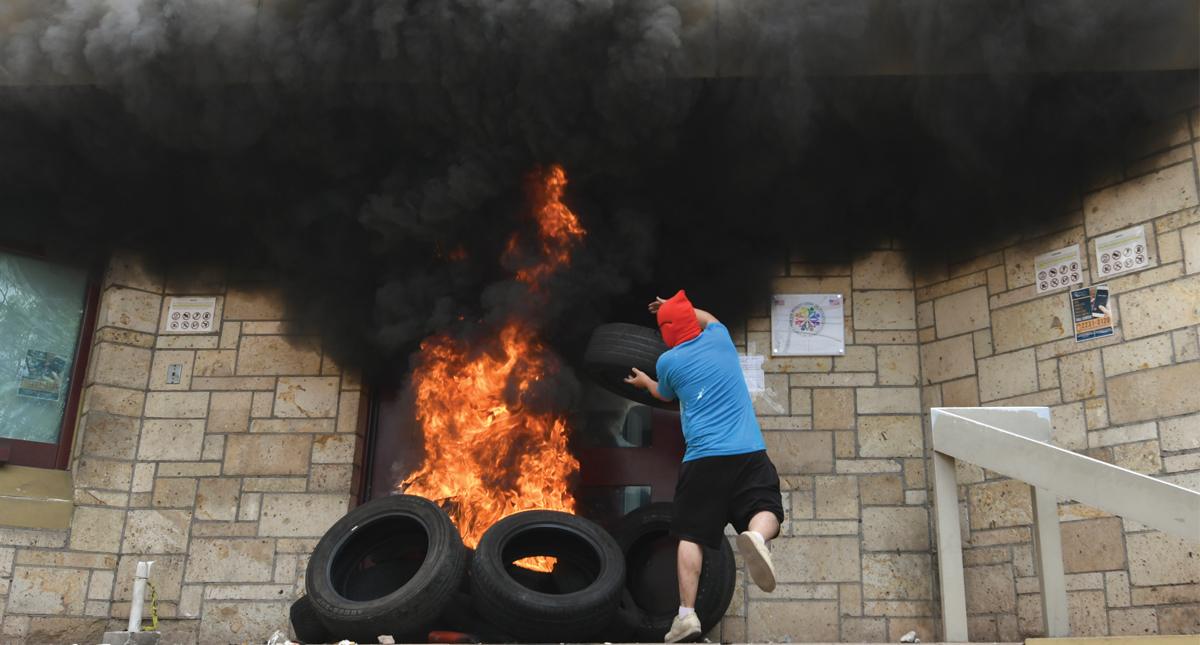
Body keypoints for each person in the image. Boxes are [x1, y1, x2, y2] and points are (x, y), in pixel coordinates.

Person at [624, 290, 785, 643]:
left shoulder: (668, 362)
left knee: (691, 536)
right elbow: (707, 317)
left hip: (703, 459)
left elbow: (664, 394)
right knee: (767, 507)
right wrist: (675, 306)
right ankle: (757, 537)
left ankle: (686, 616)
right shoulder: (720, 337)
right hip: (748, 451)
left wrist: (644, 382)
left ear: (667, 333)